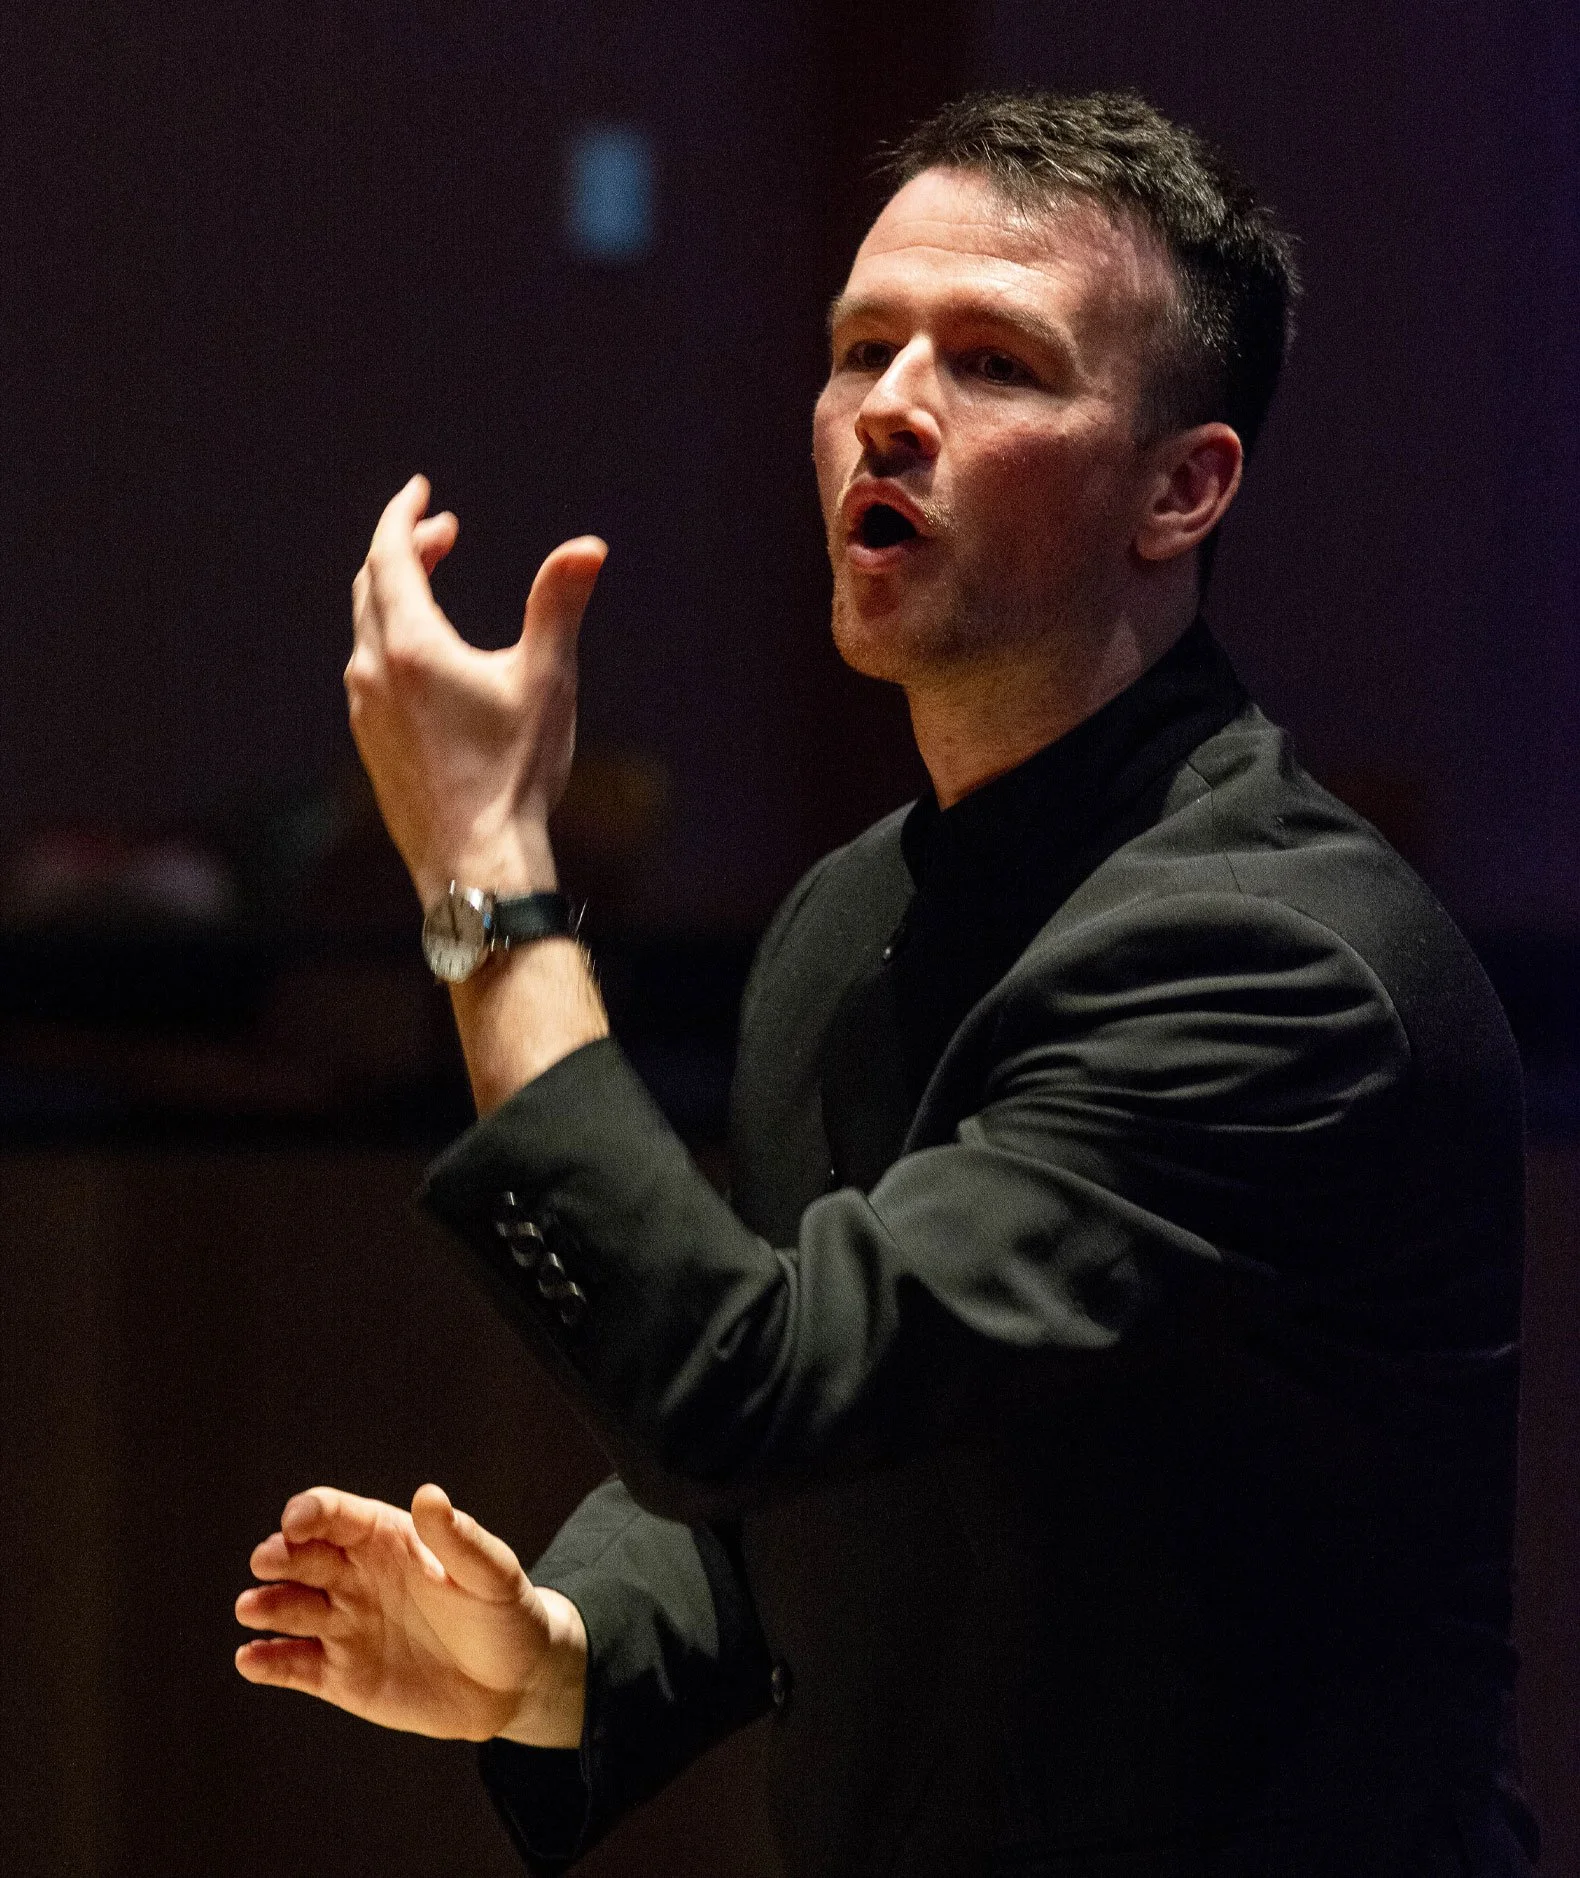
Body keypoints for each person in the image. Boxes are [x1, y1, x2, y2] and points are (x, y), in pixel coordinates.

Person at [235, 91, 1536, 1876]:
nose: (891, 409)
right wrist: (569, 1648)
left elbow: (747, 1383)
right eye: (862, 349)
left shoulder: (1274, 961)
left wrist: (486, 871)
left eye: (995, 363)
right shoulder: (850, 919)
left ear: (1183, 488)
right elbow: (854, 1436)